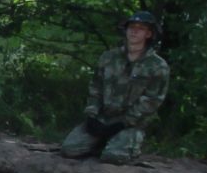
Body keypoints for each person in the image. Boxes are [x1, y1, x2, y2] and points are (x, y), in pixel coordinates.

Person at [61, 11, 170, 164]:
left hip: (129, 123)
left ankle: (120, 145)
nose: (134, 31)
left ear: (149, 34)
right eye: (131, 27)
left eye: (141, 28)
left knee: (114, 157)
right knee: (69, 149)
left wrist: (124, 123)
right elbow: (95, 87)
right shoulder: (109, 57)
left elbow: (152, 100)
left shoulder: (157, 66)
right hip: (102, 117)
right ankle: (100, 143)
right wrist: (92, 115)